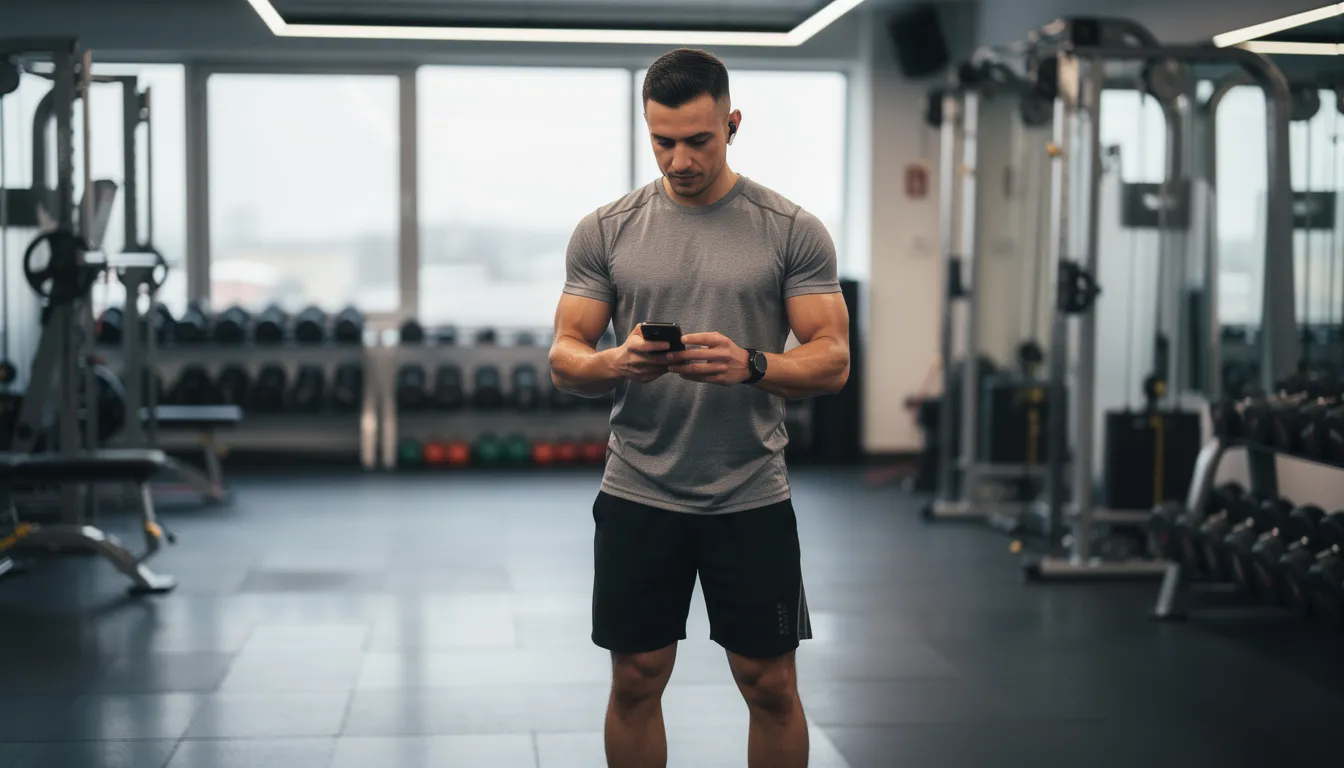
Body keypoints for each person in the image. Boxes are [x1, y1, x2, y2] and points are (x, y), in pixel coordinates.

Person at [548, 47, 851, 768]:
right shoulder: (607, 229)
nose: (679, 160)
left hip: (749, 491)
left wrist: (753, 365)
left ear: (732, 124)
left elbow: (832, 358)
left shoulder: (788, 228)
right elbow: (565, 355)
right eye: (662, 142)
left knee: (770, 684)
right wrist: (616, 361)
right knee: (635, 679)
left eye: (698, 140)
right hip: (639, 490)